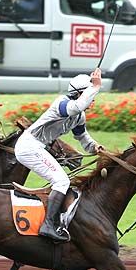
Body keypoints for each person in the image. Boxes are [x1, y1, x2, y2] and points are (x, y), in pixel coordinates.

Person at [14, 68, 104, 242]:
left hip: (36, 147)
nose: (93, 100)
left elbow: (83, 138)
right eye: (90, 96)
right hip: (29, 146)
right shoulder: (62, 104)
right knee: (62, 181)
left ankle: (52, 221)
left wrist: (95, 147)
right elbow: (77, 106)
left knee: (61, 180)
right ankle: (48, 225)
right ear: (79, 94)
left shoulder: (79, 117)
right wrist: (96, 86)